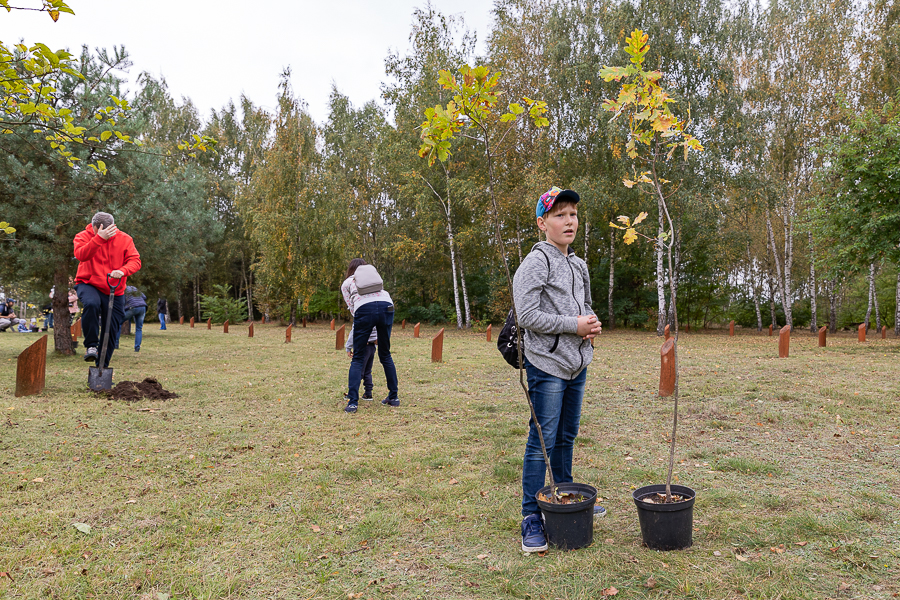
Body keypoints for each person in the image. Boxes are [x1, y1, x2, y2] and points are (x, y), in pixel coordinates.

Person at [512, 187, 602, 553]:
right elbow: (527, 315)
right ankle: (531, 517)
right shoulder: (536, 263)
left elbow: (586, 305)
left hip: (578, 362)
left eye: (574, 214)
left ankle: (566, 496)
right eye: (560, 215)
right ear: (542, 223)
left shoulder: (578, 264)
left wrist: (591, 325)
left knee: (566, 436)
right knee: (542, 441)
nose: (569, 221)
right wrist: (572, 325)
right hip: (546, 364)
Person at [73, 211, 142, 368]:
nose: (108, 234)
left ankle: (102, 367)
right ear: (95, 228)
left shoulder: (125, 239)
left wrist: (123, 271)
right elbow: (81, 255)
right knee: (91, 303)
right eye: (102, 231)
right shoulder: (83, 236)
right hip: (88, 283)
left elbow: (135, 261)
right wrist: (98, 239)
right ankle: (91, 345)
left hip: (114, 289)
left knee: (111, 328)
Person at [342, 259, 399, 414]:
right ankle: (393, 397)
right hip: (387, 305)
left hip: (364, 308)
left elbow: (353, 310)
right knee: (385, 355)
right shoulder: (373, 279)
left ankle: (353, 402)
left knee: (358, 358)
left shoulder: (347, 283)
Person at [341, 259, 377, 402]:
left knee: (358, 369)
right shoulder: (375, 308)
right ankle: (368, 392)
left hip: (363, 344)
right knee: (367, 371)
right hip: (373, 345)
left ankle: (352, 394)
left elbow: (355, 329)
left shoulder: (348, 284)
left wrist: (349, 346)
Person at [121, 285, 147, 352]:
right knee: (139, 328)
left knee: (117, 323)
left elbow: (121, 301)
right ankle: (137, 348)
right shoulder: (134, 288)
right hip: (142, 307)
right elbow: (144, 297)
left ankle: (115, 344)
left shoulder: (122, 289)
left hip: (132, 308)